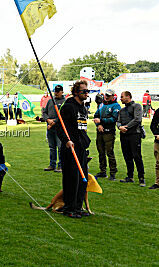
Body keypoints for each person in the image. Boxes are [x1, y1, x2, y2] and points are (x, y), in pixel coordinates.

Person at [56, 80, 91, 218]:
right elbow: (59, 126)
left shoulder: (83, 107)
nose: (86, 93)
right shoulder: (68, 107)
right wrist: (66, 141)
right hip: (70, 148)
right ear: (76, 92)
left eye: (87, 91)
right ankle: (69, 208)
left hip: (81, 147)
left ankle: (78, 206)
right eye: (84, 91)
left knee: (83, 179)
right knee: (72, 179)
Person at [117, 91, 145, 186]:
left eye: (122, 97)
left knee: (136, 156)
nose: (120, 99)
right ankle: (130, 176)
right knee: (127, 156)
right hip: (124, 135)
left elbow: (137, 119)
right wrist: (120, 127)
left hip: (134, 135)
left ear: (128, 96)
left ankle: (141, 178)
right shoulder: (121, 110)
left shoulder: (137, 106)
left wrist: (126, 127)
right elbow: (118, 121)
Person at [93, 89, 121, 181]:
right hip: (100, 131)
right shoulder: (101, 104)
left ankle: (113, 172)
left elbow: (114, 119)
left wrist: (101, 121)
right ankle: (102, 171)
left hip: (109, 132)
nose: (106, 96)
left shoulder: (116, 106)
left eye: (109, 95)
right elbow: (96, 115)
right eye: (106, 95)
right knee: (101, 152)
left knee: (109, 152)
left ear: (113, 96)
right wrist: (99, 125)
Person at [43, 85, 65, 172]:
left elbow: (63, 116)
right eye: (55, 91)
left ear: (62, 92)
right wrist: (48, 120)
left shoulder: (64, 102)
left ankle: (60, 165)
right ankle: (52, 164)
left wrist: (53, 122)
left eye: (58, 91)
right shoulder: (50, 101)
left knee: (60, 148)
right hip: (50, 127)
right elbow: (44, 112)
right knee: (52, 147)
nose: (56, 93)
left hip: (59, 128)